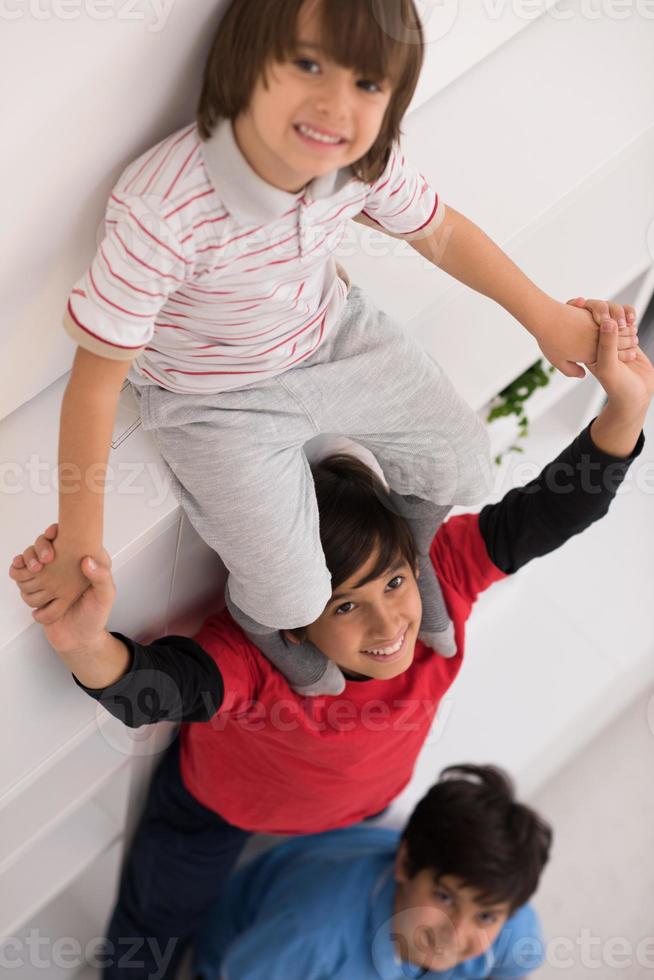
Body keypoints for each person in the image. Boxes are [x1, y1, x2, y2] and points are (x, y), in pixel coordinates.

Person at [19, 0, 639, 697]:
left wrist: (544, 317)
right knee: (291, 599)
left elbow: (439, 232)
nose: (336, 105)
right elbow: (94, 386)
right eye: (309, 65)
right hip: (214, 398)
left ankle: (415, 553)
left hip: (336, 335)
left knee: (464, 465)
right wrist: (80, 541)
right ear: (246, 61)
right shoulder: (165, 207)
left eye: (368, 85)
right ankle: (267, 623)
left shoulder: (361, 159)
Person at [10, 315, 651, 979]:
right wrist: (82, 640)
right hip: (218, 809)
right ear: (295, 621)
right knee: (152, 931)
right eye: (346, 605)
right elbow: (157, 691)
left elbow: (547, 513)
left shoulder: (441, 575)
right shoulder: (262, 656)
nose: (388, 625)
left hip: (359, 808)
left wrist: (627, 405)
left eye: (395, 583)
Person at [192, 764, 552, 980]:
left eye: (486, 915)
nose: (455, 934)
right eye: (444, 897)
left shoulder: (513, 928)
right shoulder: (310, 935)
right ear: (404, 864)